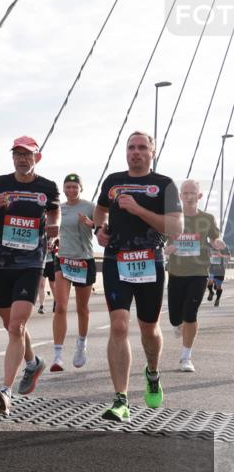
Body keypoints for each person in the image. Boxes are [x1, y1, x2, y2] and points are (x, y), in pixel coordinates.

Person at [0, 135, 60, 416]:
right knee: (11, 325)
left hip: (31, 264)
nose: (22, 159)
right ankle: (33, 364)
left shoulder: (48, 187)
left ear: (37, 158)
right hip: (1, 264)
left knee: (17, 326)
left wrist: (54, 229)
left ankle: (5, 392)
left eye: (27, 154)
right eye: (17, 154)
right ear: (12, 158)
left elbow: (55, 214)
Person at [93, 131, 182, 422]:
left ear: (152, 152)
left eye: (142, 147)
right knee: (118, 325)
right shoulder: (113, 181)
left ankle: (153, 372)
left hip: (149, 262)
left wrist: (138, 209)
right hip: (116, 260)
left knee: (149, 329)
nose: (136, 152)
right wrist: (99, 229)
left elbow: (175, 228)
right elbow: (100, 209)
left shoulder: (164, 184)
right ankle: (121, 399)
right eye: (131, 147)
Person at [164, 180, 227, 372]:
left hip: (199, 272)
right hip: (176, 272)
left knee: (190, 313)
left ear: (199, 196)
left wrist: (217, 243)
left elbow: (214, 237)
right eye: (185, 192)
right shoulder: (171, 218)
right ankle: (178, 324)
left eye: (193, 193)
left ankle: (186, 357)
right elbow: (161, 244)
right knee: (176, 318)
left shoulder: (207, 218)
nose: (189, 196)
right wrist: (168, 249)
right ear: (180, 196)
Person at [50, 173, 96, 371]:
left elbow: (105, 227)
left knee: (82, 308)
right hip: (63, 260)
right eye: (67, 187)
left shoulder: (90, 206)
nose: (71, 190)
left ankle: (81, 345)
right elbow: (53, 228)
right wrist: (52, 239)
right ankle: (58, 355)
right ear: (63, 189)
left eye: (74, 187)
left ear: (81, 188)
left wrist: (92, 224)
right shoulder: (59, 209)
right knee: (60, 306)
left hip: (84, 260)